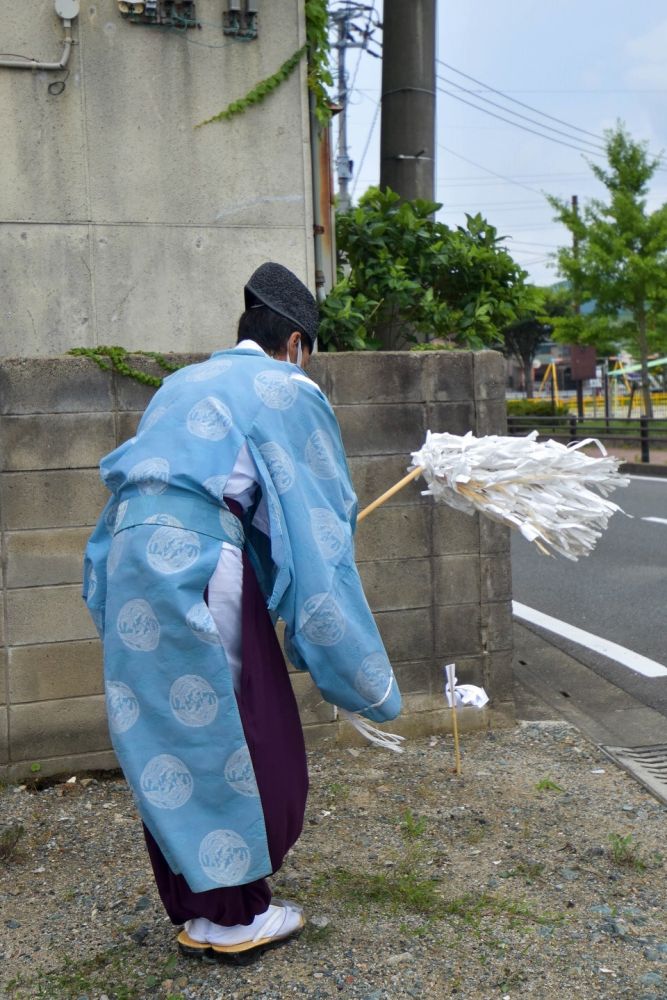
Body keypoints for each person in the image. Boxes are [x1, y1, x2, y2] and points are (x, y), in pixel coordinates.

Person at [82, 262, 402, 963]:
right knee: (236, 723)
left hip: (130, 558)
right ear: (295, 342)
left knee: (163, 732)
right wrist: (353, 666)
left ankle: (202, 907)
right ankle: (233, 916)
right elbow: (318, 522)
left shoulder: (179, 383)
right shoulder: (287, 386)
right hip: (200, 563)